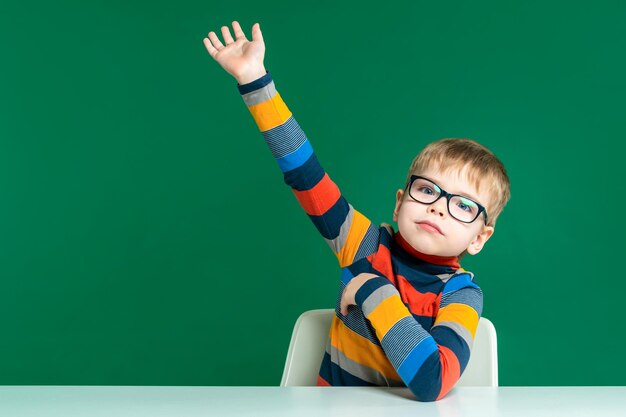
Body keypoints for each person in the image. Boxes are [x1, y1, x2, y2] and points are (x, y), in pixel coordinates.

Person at [203, 21, 511, 402]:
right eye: (427, 189)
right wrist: (254, 81)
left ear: (480, 237)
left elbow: (431, 381)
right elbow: (304, 174)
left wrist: (373, 289)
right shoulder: (362, 243)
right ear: (400, 202)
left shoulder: (461, 294)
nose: (438, 207)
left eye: (463, 205)